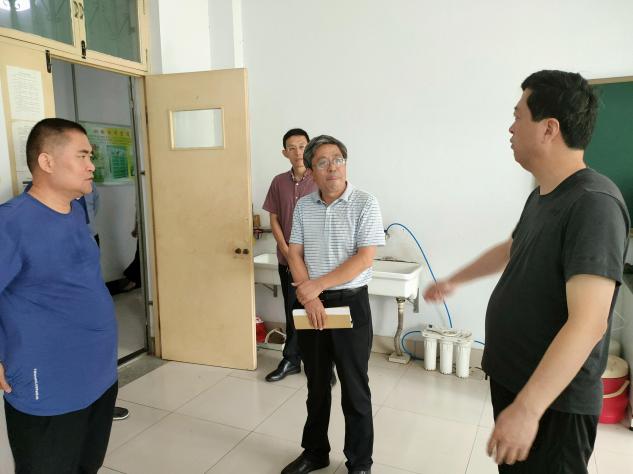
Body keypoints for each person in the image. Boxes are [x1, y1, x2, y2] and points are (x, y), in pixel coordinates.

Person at [423, 70, 630, 473]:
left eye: (518, 116)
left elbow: (588, 323)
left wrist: (529, 408)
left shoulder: (594, 203)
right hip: (519, 383)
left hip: (554, 403)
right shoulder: (544, 195)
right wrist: (454, 280)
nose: (511, 127)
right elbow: (512, 248)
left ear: (549, 128)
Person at [0, 118, 118, 472]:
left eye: (90, 156)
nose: (91, 165)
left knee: (87, 465)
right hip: (48, 383)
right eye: (82, 156)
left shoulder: (76, 210)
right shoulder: (11, 223)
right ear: (47, 162)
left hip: (98, 374)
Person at [282, 135, 385, 474]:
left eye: (338, 159)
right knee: (316, 384)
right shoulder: (303, 206)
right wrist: (311, 296)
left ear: (345, 163)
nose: (332, 168)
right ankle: (315, 453)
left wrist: (317, 286)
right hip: (311, 304)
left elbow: (364, 258)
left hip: (349, 304)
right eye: (323, 162)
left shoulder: (365, 203)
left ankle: (360, 462)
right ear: (311, 170)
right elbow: (294, 253)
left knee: (355, 388)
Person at [263, 128, 321, 383]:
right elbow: (274, 218)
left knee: (319, 312)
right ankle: (291, 360)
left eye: (302, 146)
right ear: (284, 152)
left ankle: (321, 364)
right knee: (292, 311)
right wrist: (286, 250)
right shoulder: (278, 182)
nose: (298, 152)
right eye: (292, 148)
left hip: (316, 264)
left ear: (309, 148)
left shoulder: (320, 178)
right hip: (287, 260)